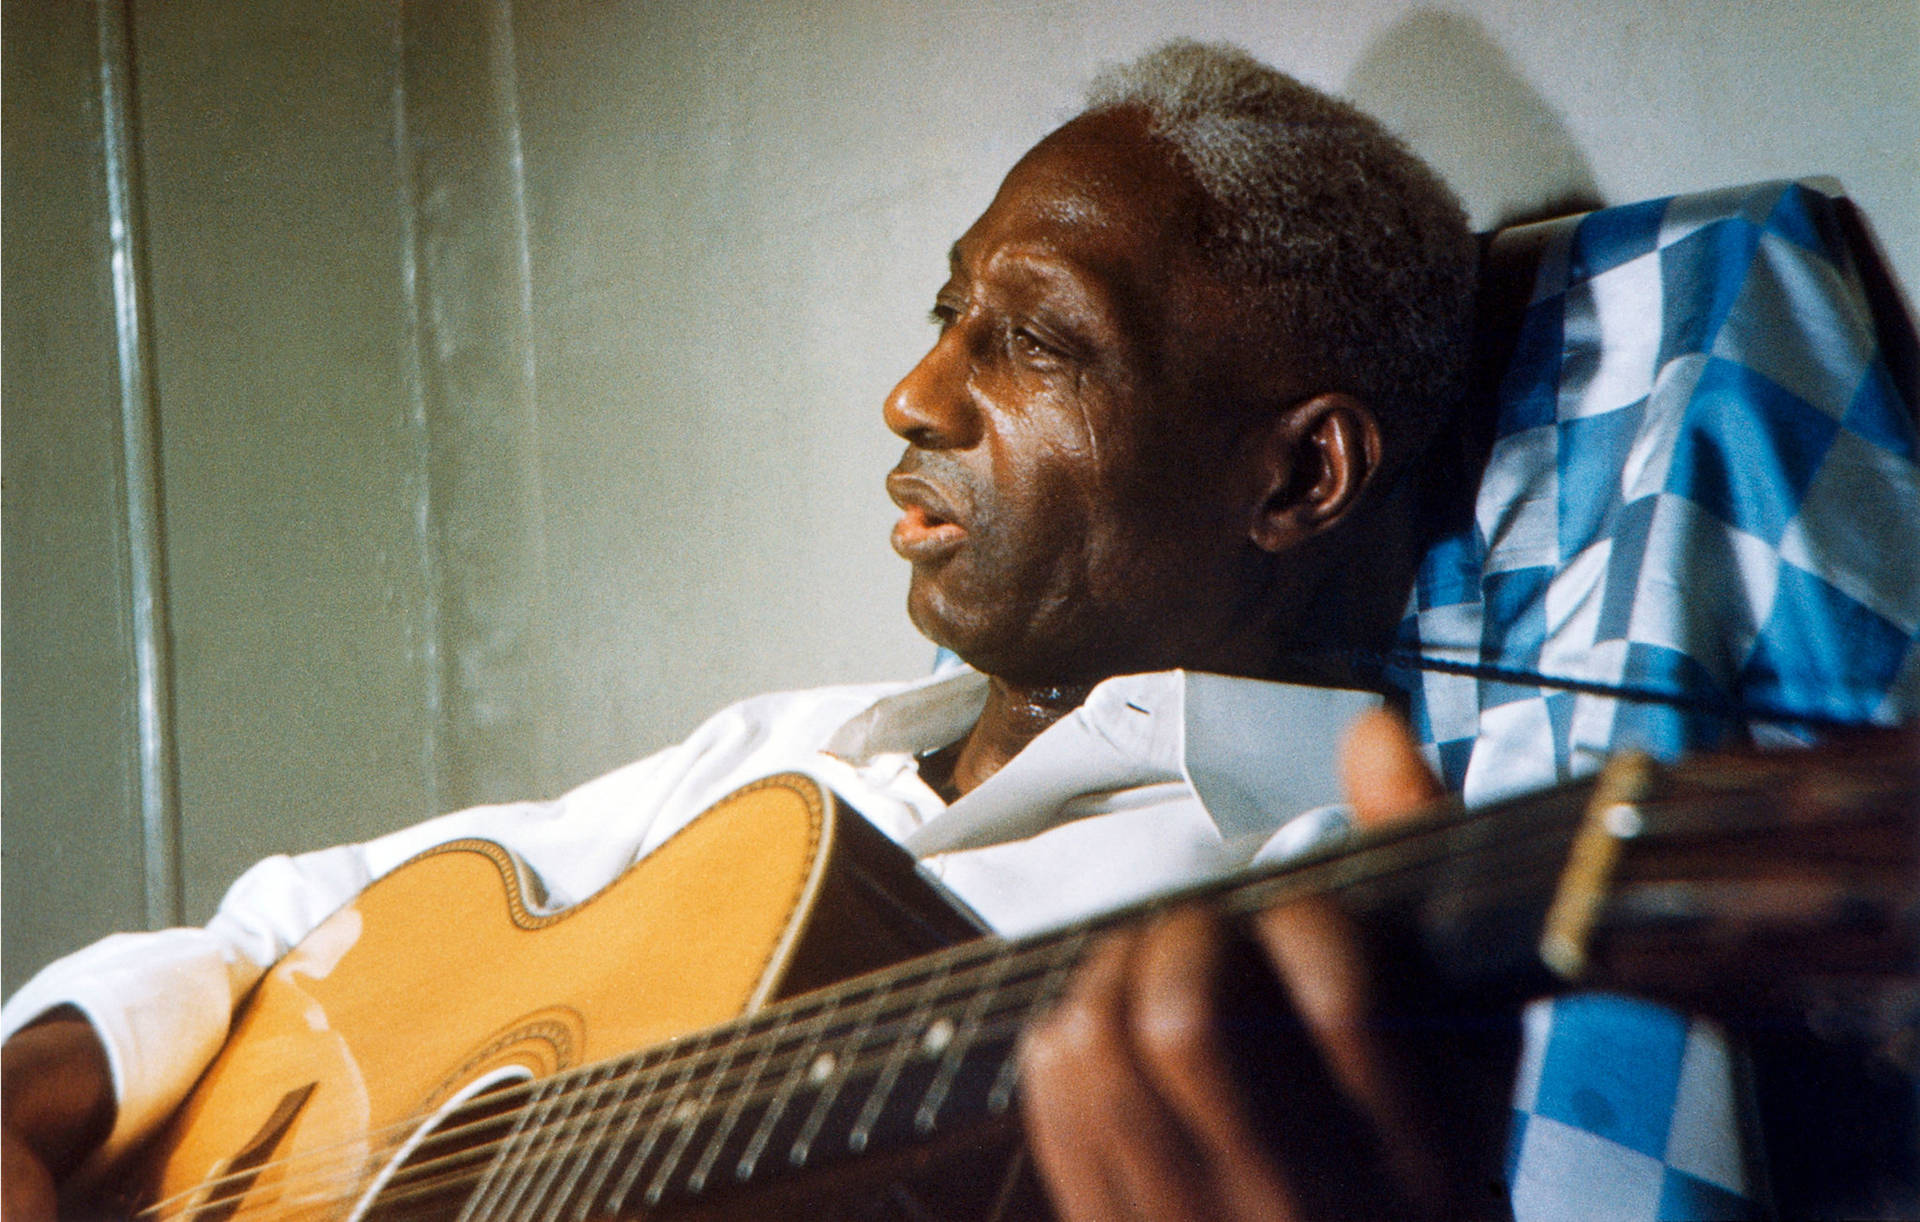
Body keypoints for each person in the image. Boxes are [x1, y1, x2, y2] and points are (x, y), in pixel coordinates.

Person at [2, 40, 1487, 1218]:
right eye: (947, 309)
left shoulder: (1307, 916)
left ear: (1296, 475)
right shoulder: (785, 755)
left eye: (1034, 338)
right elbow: (306, 929)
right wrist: (36, 1086)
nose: (913, 393)